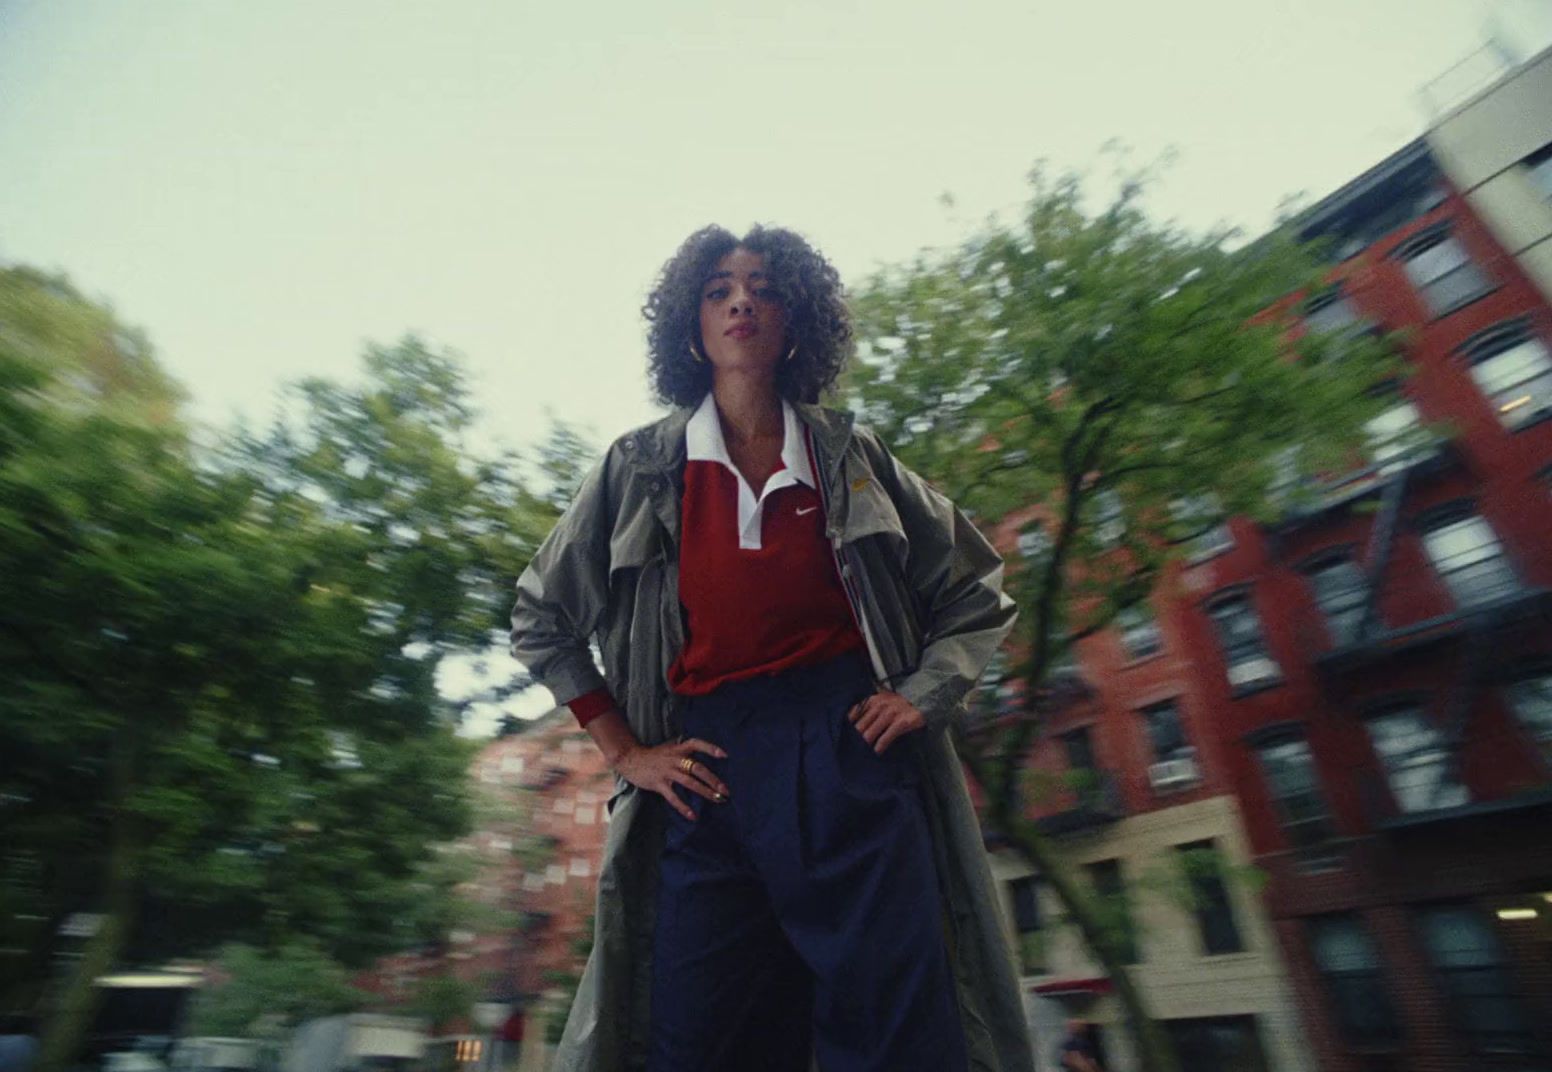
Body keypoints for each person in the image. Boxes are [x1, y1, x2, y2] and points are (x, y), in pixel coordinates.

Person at [511, 224, 1035, 1072]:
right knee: (696, 1040)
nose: (741, 300)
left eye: (762, 287)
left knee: (897, 1038)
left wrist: (924, 693)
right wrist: (627, 753)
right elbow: (541, 618)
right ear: (692, 329)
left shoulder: (851, 458)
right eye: (718, 289)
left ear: (797, 324)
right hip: (705, 773)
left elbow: (976, 588)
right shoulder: (640, 469)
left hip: (851, 753)